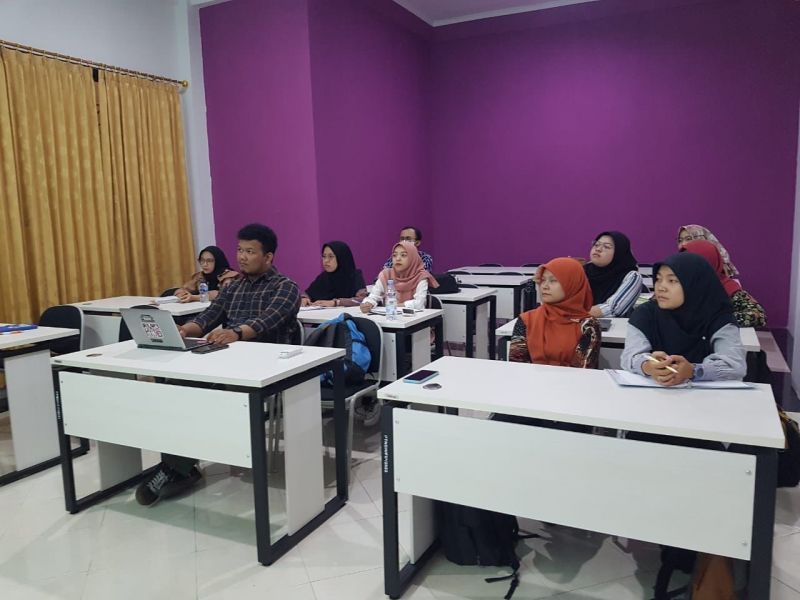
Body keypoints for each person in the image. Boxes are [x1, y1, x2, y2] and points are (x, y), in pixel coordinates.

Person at [135, 223, 301, 506]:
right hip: (226, 361)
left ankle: (175, 468)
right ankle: (177, 465)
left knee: (201, 395)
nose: (242, 257)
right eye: (240, 250)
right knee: (173, 385)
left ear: (268, 257)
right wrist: (184, 330)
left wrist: (236, 333)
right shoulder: (233, 287)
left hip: (265, 369)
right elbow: (209, 316)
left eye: (250, 251)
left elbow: (267, 320)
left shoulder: (286, 287)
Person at [621, 253, 746, 386]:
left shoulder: (718, 317)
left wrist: (694, 370)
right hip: (655, 392)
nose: (661, 287)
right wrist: (648, 366)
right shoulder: (645, 313)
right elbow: (630, 356)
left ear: (694, 284)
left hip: (706, 395)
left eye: (672, 281)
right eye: (658, 279)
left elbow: (735, 366)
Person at [509, 257, 600, 368]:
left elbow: (582, 370)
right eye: (543, 280)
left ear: (572, 284)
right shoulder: (526, 319)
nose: (545, 286)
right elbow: (517, 365)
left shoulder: (588, 325)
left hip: (571, 379)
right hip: (531, 378)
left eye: (553, 281)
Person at [681, 240, 766, 328]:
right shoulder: (678, 285)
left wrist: (715, 320)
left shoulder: (727, 288)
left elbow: (758, 316)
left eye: (690, 261)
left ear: (709, 262)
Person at [363, 241, 438, 312]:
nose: (398, 259)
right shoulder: (386, 274)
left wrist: (396, 306)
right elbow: (373, 296)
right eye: (394, 255)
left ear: (413, 258)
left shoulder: (421, 276)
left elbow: (419, 304)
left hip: (414, 319)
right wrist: (368, 303)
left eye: (403, 255)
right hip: (390, 318)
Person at [583, 231, 643, 318]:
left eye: (606, 247)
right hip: (576, 322)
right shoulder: (582, 270)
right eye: (596, 245)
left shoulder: (632, 276)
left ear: (619, 252)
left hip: (613, 325)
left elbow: (613, 309)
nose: (598, 249)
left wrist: (575, 314)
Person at [301, 241, 366, 307]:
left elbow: (363, 300)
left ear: (341, 257)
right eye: (324, 256)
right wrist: (304, 298)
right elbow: (307, 294)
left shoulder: (354, 276)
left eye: (331, 256)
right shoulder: (323, 277)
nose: (326, 260)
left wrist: (336, 302)